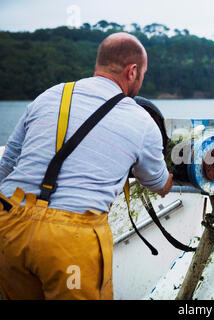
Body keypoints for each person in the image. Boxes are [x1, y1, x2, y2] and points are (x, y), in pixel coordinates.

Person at [0, 32, 173, 300]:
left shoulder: (49, 95)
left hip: (9, 224)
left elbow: (8, 163)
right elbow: (159, 184)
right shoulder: (141, 120)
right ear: (133, 71)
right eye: (143, 74)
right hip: (70, 239)